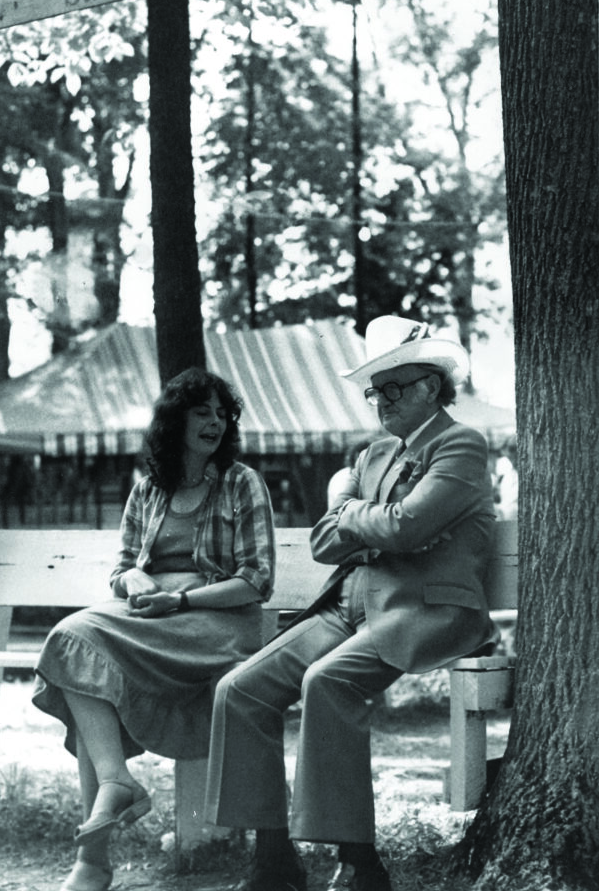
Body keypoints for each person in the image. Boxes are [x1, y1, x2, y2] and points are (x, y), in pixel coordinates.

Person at [205, 316, 499, 891]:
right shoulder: (373, 456)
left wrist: (355, 512)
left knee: (329, 681)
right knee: (239, 690)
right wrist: (370, 518)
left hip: (426, 608)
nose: (381, 400)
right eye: (375, 389)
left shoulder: (461, 444)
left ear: (433, 385)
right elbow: (324, 542)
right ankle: (273, 863)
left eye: (395, 386)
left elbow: (409, 526)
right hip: (348, 605)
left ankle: (360, 864)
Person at [32, 367, 275, 891]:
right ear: (175, 420)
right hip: (150, 621)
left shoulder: (240, 482)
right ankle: (115, 787)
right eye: (201, 411)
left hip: (217, 622)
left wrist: (179, 597)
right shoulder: (148, 491)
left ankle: (92, 861)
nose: (215, 422)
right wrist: (137, 579)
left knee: (81, 651)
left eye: (221, 414)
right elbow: (121, 569)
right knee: (74, 640)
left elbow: (257, 580)